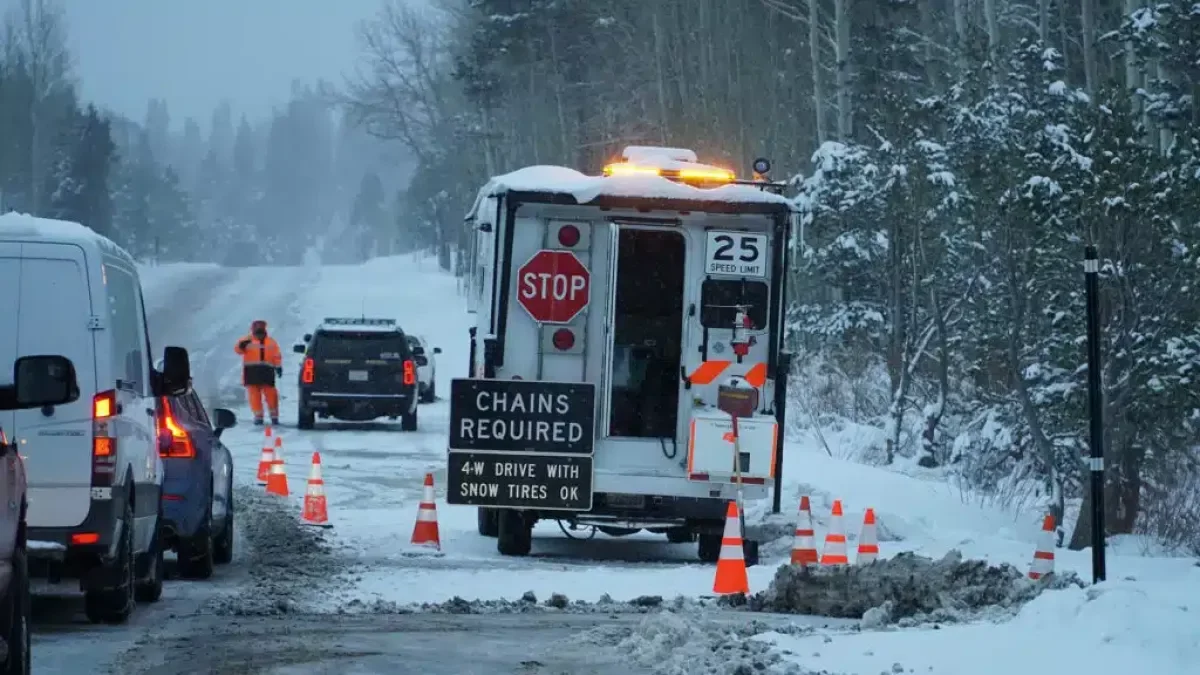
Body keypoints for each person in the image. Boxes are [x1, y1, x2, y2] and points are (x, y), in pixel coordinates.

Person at [234, 320, 283, 425]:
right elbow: (238, 350)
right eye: (257, 331)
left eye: (261, 330)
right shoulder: (246, 340)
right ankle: (258, 416)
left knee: (271, 395)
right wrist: (241, 345)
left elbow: (276, 355)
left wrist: (278, 367)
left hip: (267, 372)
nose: (259, 333)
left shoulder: (271, 342)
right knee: (254, 396)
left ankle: (274, 416)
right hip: (252, 372)